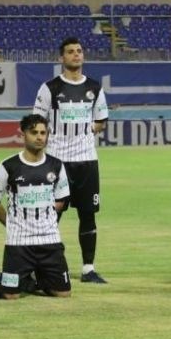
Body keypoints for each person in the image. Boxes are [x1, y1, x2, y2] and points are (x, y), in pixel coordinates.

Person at [32, 36, 109, 283]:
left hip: (86, 160)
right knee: (51, 215)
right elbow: (37, 122)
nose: (76, 55)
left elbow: (101, 121)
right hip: (57, 161)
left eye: (79, 51)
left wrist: (88, 128)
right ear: (61, 58)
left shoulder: (95, 88)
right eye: (70, 52)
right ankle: (40, 265)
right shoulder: (50, 88)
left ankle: (88, 269)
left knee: (88, 214)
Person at [0, 114, 71, 299]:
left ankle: (33, 280)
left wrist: (46, 217)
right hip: (19, 242)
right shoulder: (8, 166)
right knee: (10, 296)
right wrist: (12, 224)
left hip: (50, 239)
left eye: (43, 133)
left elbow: (61, 200)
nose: (39, 137)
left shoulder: (56, 165)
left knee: (63, 293)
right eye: (34, 133)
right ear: (23, 134)